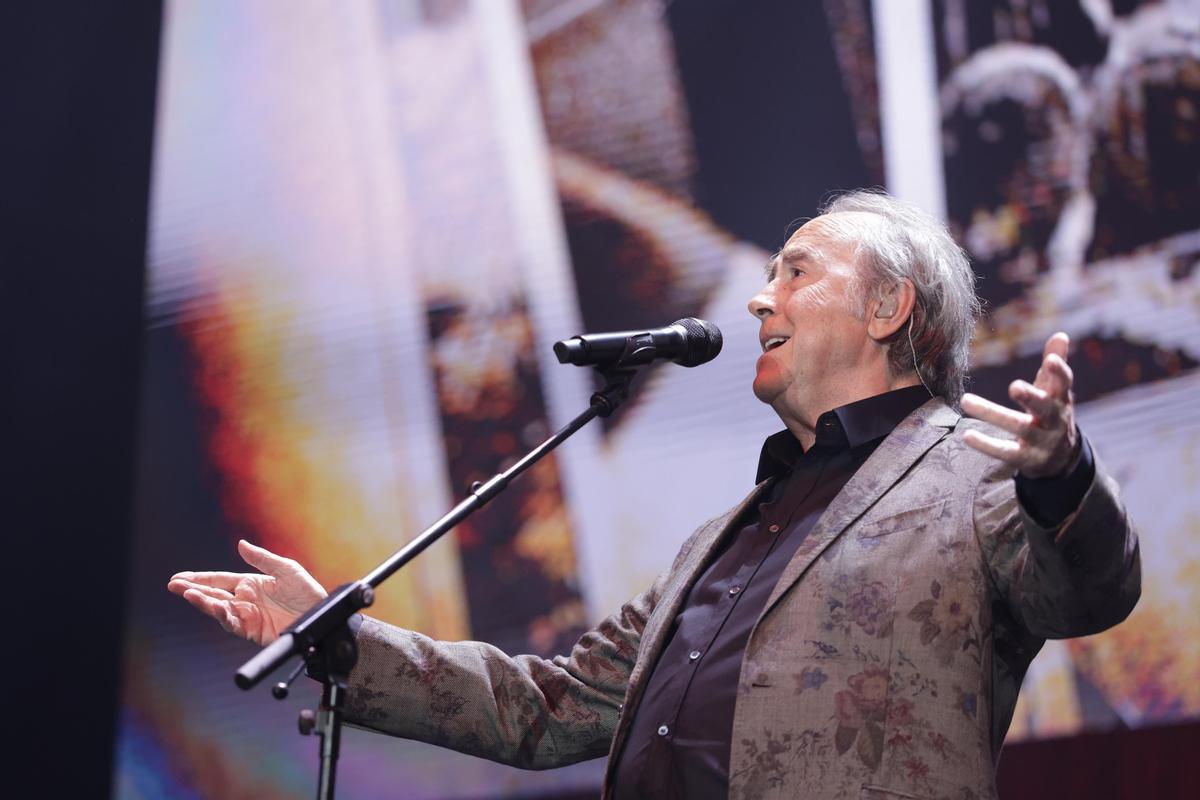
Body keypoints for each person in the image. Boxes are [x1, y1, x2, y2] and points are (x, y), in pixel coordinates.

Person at [169, 190, 1140, 800]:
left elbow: (1087, 591)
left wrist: (1061, 475)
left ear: (889, 308)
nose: (761, 298)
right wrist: (340, 638)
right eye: (764, 278)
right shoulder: (722, 537)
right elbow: (546, 708)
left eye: (795, 272)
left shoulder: (973, 470)